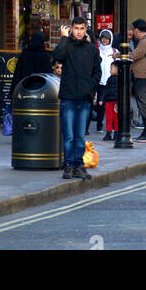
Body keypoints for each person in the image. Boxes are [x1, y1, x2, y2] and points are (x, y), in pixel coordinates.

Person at [52, 17, 101, 179]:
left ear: (86, 30)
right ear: (71, 29)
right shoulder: (67, 46)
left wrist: (90, 89)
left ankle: (78, 165)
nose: (79, 32)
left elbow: (97, 73)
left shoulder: (91, 49)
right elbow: (57, 55)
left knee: (80, 135)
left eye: (82, 28)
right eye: (76, 28)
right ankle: (68, 166)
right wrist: (64, 38)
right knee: (69, 135)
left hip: (84, 97)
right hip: (68, 97)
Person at [129, 18, 146, 143]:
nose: (132, 31)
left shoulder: (145, 42)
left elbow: (135, 55)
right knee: (144, 105)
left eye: (133, 29)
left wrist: (120, 55)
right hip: (144, 76)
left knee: (145, 105)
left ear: (136, 29)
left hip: (145, 77)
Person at [10, 31, 53, 98]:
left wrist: (12, 92)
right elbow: (49, 74)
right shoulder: (44, 55)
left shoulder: (24, 54)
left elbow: (17, 73)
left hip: (24, 88)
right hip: (41, 90)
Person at [93, 29, 115, 131]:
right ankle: (99, 123)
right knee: (100, 104)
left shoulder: (115, 51)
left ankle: (111, 125)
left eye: (107, 38)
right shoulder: (97, 51)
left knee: (110, 104)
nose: (105, 40)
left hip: (110, 82)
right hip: (99, 80)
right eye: (103, 38)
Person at [102, 58, 120, 141]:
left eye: (111, 68)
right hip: (109, 101)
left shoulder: (121, 79)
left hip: (116, 102)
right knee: (109, 118)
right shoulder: (109, 79)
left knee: (116, 118)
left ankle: (116, 133)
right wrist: (102, 98)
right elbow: (105, 89)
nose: (110, 70)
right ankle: (108, 133)